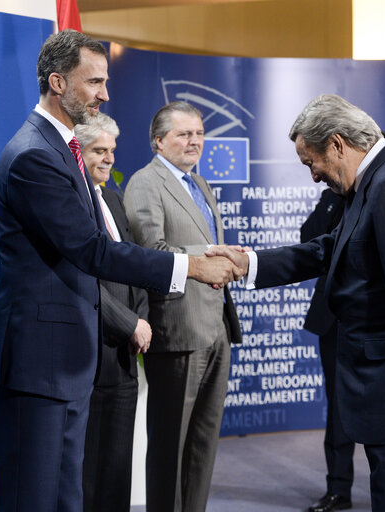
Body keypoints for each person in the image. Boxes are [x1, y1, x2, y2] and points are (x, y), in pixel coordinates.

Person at [0, 29, 236, 512]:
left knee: (65, 500)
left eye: (105, 81)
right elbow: (93, 250)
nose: (105, 93)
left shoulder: (63, 149)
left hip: (67, 363)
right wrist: (190, 267)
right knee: (32, 500)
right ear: (57, 82)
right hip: (38, 363)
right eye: (94, 82)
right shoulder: (36, 154)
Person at [208, 94, 385, 512]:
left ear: (337, 144)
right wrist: (249, 263)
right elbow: (331, 248)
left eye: (310, 162)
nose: (313, 176)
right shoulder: (380, 179)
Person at [124, 101, 242, 512]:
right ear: (159, 141)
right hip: (178, 330)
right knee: (171, 445)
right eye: (184, 134)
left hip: (215, 329)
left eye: (199, 134)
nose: (195, 142)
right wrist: (206, 254)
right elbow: (149, 252)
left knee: (203, 445)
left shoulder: (199, 183)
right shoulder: (145, 183)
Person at [75, 113, 151, 512]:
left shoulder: (112, 199)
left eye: (112, 151)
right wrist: (128, 323)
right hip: (92, 351)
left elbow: (133, 264)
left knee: (118, 471)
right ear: (77, 152)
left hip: (123, 355)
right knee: (90, 473)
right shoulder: (76, 204)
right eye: (98, 150)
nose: (108, 159)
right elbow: (84, 278)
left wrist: (140, 318)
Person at [300, 189, 353, 512]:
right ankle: (338, 489)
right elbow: (308, 237)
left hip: (375, 320)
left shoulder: (384, 191)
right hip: (332, 318)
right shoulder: (332, 195)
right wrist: (335, 197)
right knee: (338, 408)